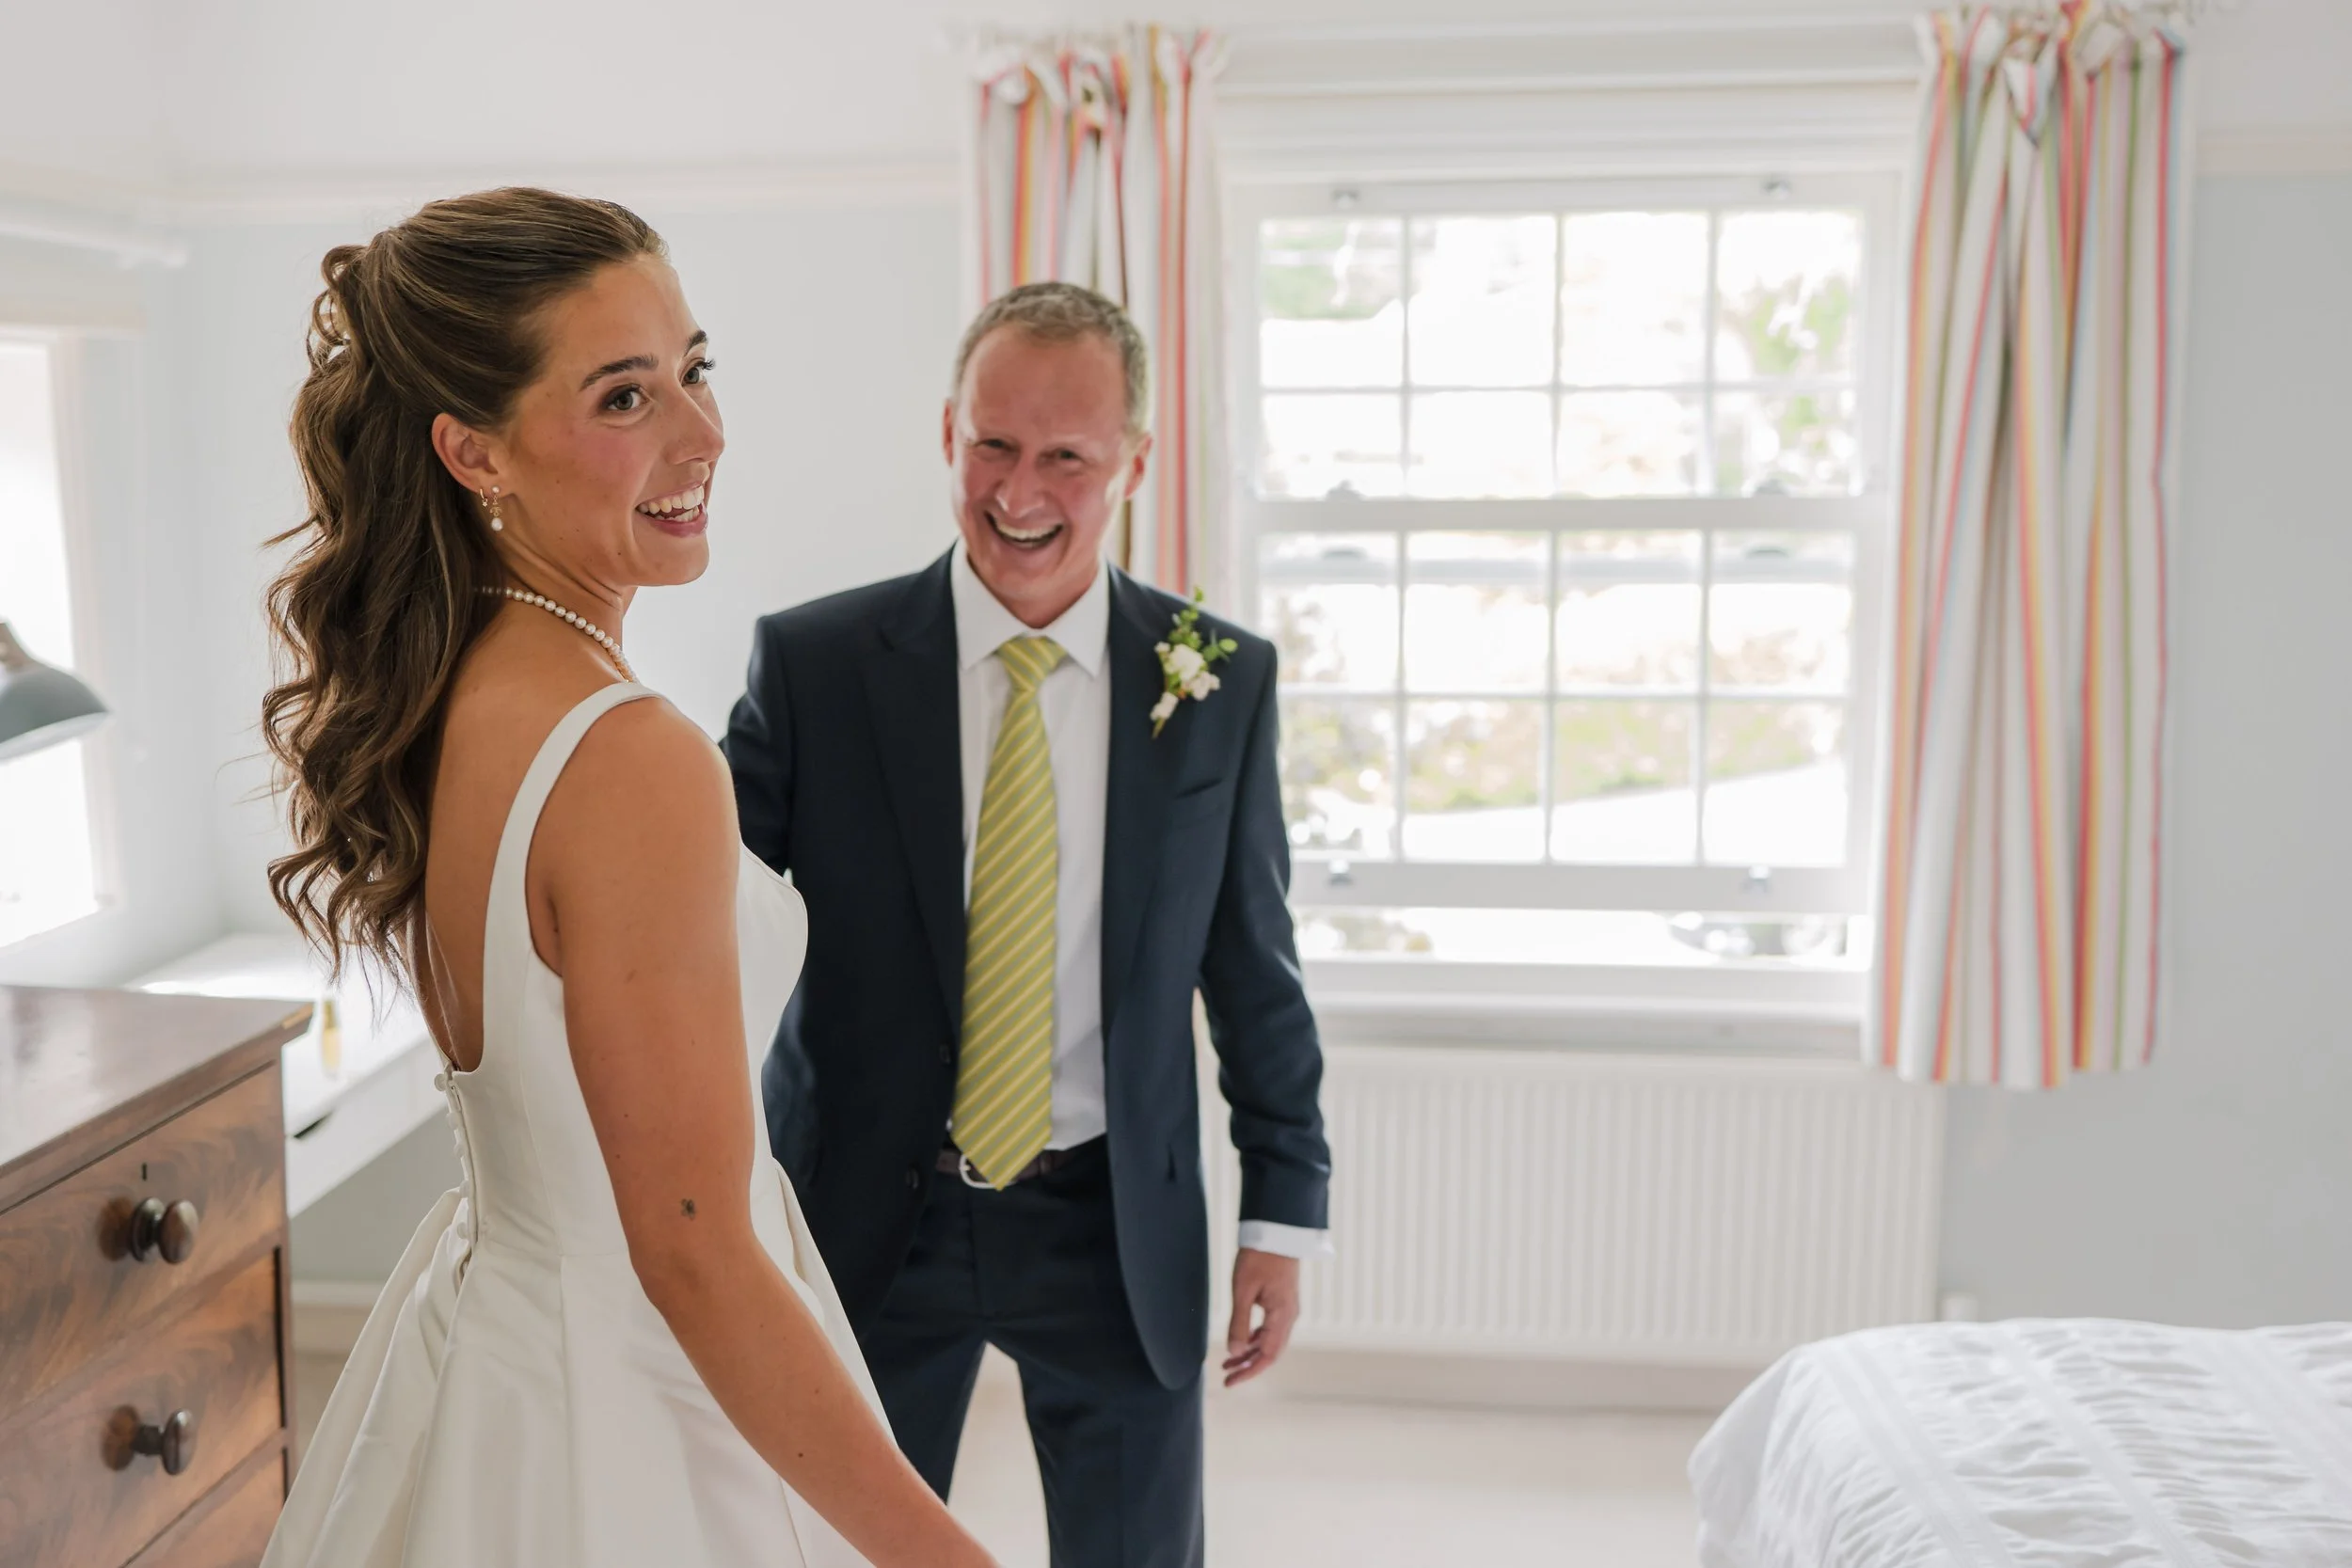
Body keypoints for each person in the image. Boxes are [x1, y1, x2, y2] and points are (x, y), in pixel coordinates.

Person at [256, 187, 994, 1568]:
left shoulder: (451, 686)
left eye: (693, 369)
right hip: (638, 1398)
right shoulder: (630, 755)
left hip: (498, 1333)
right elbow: (697, 1251)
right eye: (623, 398)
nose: (701, 433)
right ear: (475, 451)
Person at [724, 282, 1332, 1567]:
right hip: (868, 1213)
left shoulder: (1219, 680)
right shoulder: (815, 665)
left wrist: (1281, 1212)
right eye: (995, 443)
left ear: (1136, 463)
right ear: (947, 432)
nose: (1021, 488)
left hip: (1113, 1218)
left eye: (1068, 454)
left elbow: (1253, 968)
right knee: (831, 1548)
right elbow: (689, 924)